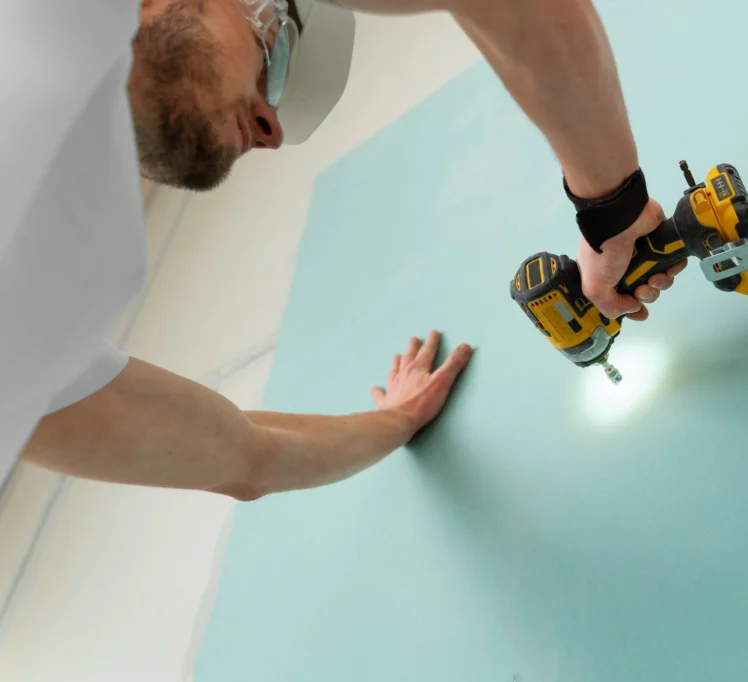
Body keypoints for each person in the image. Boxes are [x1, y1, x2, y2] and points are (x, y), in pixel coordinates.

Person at [2, 0, 685, 500]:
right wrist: (613, 211)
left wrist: (392, 421)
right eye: (277, 56)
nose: (269, 129)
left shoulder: (46, 334)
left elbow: (247, 458)